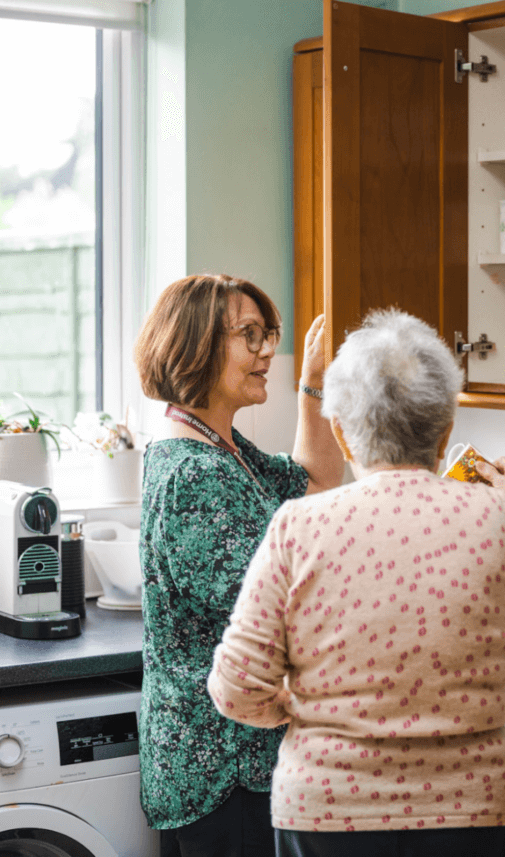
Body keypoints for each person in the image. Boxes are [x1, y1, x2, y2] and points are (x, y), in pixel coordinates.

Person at [207, 308, 505, 857]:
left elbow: (236, 689)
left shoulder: (298, 528)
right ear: (446, 433)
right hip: (468, 811)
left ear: (343, 437)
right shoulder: (502, 518)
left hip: (326, 808)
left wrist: (314, 707)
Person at [133, 274, 344, 857]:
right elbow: (279, 621)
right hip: (222, 772)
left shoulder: (219, 448)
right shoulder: (197, 476)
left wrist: (313, 387)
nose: (265, 350)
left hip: (230, 764)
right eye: (248, 336)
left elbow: (317, 479)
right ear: (197, 344)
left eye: (267, 334)